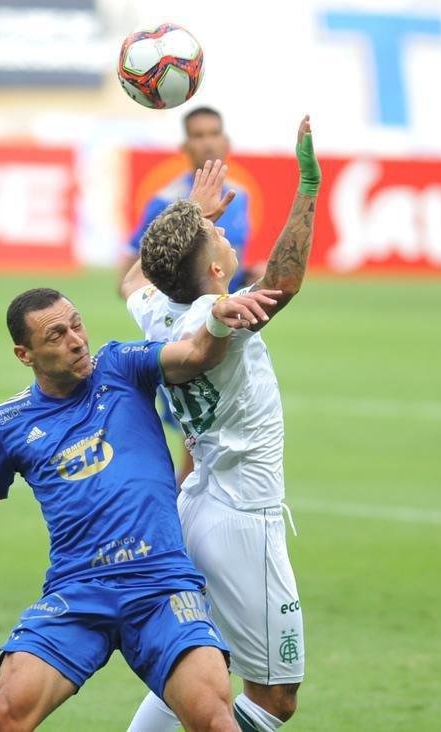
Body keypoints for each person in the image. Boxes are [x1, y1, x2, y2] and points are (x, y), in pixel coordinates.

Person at [0, 284, 283, 731]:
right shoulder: (8, 424)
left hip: (161, 584)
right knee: (5, 716)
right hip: (78, 594)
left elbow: (199, 355)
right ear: (23, 354)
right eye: (55, 335)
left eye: (76, 324)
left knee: (213, 718)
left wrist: (219, 316)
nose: (76, 340)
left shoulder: (122, 366)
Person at [119, 115, 321, 732]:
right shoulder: (215, 313)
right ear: (211, 271)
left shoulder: (155, 309)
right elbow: (282, 282)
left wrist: (187, 211)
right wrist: (308, 187)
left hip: (198, 503)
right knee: (273, 696)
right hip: (242, 517)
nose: (227, 235)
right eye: (216, 235)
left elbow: (134, 276)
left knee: (204, 661)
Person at [119, 106, 263, 295]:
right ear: (185, 146)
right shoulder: (166, 200)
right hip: (187, 317)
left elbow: (222, 265)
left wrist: (248, 276)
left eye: (214, 133)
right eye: (198, 136)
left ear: (226, 142)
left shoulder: (240, 196)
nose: (208, 143)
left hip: (234, 311)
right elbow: (129, 280)